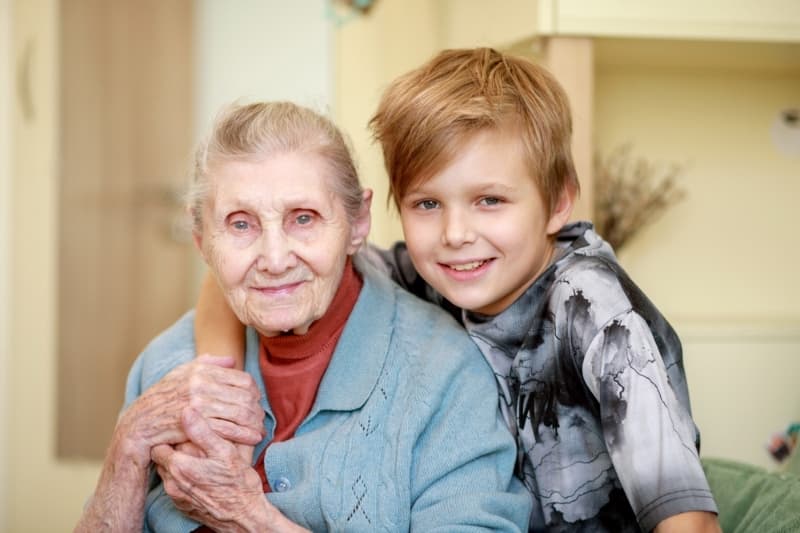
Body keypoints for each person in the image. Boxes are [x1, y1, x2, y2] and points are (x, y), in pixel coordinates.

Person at [193, 49, 722, 532]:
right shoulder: (431, 271)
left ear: (559, 203)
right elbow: (263, 275)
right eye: (427, 204)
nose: (455, 234)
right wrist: (220, 389)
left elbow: (687, 522)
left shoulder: (595, 312)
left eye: (490, 200)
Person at [75, 101, 531, 532]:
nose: (274, 259)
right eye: (240, 224)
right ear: (201, 241)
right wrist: (128, 445)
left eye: (304, 218)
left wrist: (250, 518)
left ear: (357, 223)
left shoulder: (444, 376)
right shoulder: (169, 366)